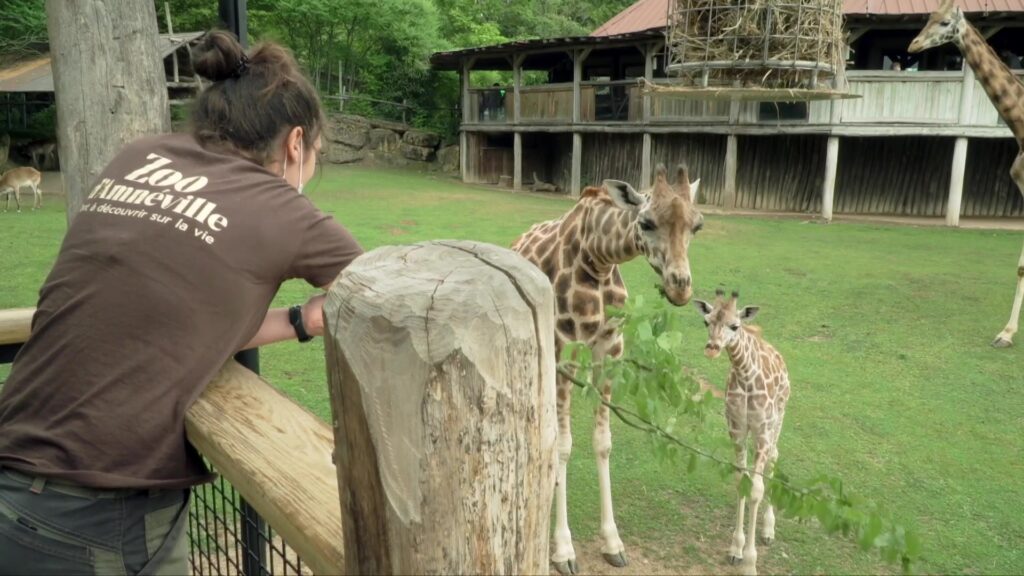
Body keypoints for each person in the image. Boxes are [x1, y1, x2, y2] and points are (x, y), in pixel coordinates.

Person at [0, 30, 363, 575]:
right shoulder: (288, 212)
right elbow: (386, 298)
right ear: (295, 144)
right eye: (315, 154)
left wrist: (297, 321)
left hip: (14, 464)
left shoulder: (137, 155)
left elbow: (176, 312)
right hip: (97, 513)